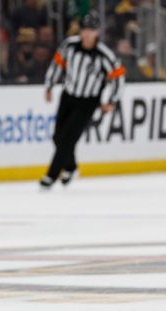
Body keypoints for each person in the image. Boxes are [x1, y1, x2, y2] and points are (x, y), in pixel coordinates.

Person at [41, 11, 125, 189]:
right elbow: (57, 65)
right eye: (84, 30)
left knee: (68, 138)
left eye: (91, 30)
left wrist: (111, 100)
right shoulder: (69, 46)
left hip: (88, 101)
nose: (87, 34)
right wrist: (49, 85)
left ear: (98, 32)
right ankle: (70, 167)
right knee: (58, 136)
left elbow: (118, 77)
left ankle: (51, 176)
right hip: (68, 96)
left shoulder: (104, 55)